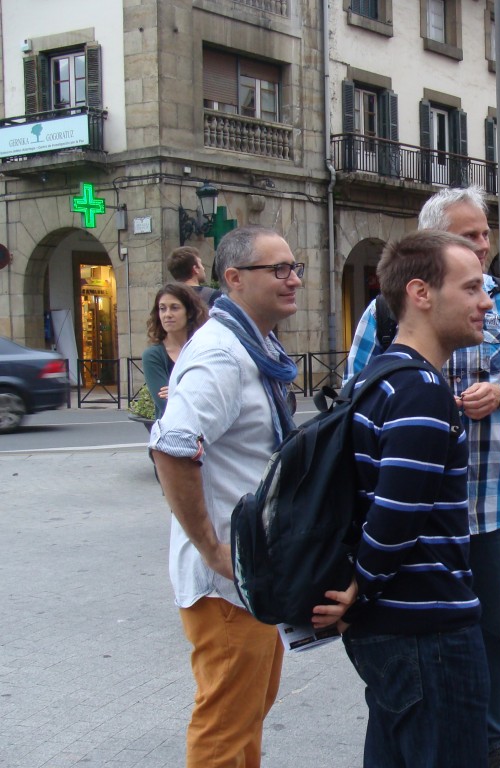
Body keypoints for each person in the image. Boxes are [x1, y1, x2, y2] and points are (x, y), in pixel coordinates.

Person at [346, 186, 500, 768]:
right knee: (433, 648)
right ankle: (427, 721)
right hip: (421, 515)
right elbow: (360, 398)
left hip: (493, 498)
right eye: (469, 237)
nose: (485, 246)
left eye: (486, 233)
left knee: (492, 627)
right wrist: (363, 578)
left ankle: (492, 730)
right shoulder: (397, 333)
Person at [312, 230, 492, 767]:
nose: (486, 301)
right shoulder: (420, 389)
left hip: (395, 632)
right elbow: (397, 512)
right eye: (472, 287)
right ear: (421, 293)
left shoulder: (377, 377)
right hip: (427, 633)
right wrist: (362, 586)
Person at [150, 226, 304, 767]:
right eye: (278, 270)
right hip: (226, 583)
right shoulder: (220, 355)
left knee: (246, 714)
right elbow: (171, 449)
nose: (294, 279)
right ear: (234, 279)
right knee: (225, 727)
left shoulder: (254, 346)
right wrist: (212, 548)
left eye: (294, 267)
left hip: (252, 573)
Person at [141, 283, 208, 419]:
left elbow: (218, 395)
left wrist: (176, 390)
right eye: (162, 309)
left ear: (189, 312)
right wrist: (197, 390)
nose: (167, 315)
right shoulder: (153, 355)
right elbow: (167, 406)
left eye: (175, 308)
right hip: (172, 435)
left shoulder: (205, 348)